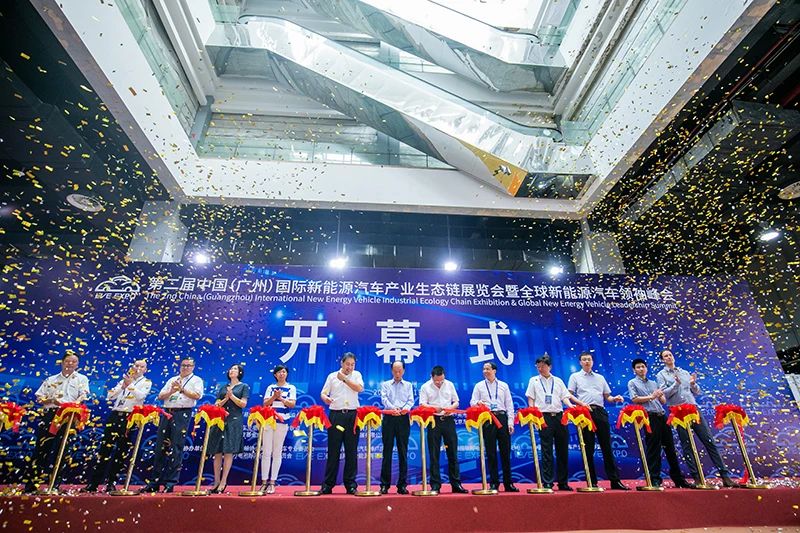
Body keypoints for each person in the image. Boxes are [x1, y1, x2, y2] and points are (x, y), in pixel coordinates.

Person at [656, 349, 737, 487]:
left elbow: (697, 391)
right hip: (678, 412)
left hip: (693, 408)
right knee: (687, 444)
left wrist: (693, 384)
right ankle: (697, 477)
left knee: (709, 440)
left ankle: (725, 475)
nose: (669, 357)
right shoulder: (661, 375)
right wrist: (676, 384)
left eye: (670, 355)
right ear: (662, 360)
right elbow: (664, 394)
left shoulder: (684, 372)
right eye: (665, 356)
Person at [23, 352, 90, 493]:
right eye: (68, 361)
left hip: (69, 415)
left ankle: (55, 484)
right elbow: (39, 398)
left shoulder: (82, 379)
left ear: (77, 364)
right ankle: (31, 484)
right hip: (50, 414)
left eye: (74, 361)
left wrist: (74, 405)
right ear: (62, 362)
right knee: (42, 448)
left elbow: (83, 395)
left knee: (63, 449)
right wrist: (52, 400)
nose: (70, 364)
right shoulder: (51, 379)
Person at [83, 359, 151, 493]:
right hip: (115, 414)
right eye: (136, 365)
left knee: (121, 450)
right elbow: (110, 396)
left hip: (130, 417)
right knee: (105, 449)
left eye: (141, 366)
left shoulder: (146, 382)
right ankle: (93, 483)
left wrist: (130, 385)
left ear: (145, 370)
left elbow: (140, 396)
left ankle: (111, 482)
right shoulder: (124, 380)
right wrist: (122, 386)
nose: (138, 368)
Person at [627, 358, 694, 489]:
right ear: (634, 370)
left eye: (643, 366)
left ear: (646, 368)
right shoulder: (632, 382)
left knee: (670, 448)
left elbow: (663, 401)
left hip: (662, 416)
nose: (641, 369)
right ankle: (655, 479)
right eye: (638, 367)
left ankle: (678, 479)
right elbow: (634, 399)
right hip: (649, 417)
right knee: (654, 448)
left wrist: (660, 394)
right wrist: (651, 396)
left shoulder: (653, 383)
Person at [567, 351, 629, 490]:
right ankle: (592, 481)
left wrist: (615, 398)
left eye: (589, 359)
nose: (587, 362)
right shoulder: (575, 377)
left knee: (607, 446)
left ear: (592, 361)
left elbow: (608, 397)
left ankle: (615, 480)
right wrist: (581, 404)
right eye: (584, 359)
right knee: (587, 448)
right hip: (584, 413)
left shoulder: (600, 378)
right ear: (580, 362)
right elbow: (569, 394)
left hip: (600, 411)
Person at [141, 357, 204, 493]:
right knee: (160, 446)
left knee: (176, 446)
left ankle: (170, 482)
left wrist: (182, 389)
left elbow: (197, 395)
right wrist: (172, 391)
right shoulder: (172, 379)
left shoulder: (196, 380)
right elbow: (160, 396)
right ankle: (155, 481)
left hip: (182, 413)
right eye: (183, 365)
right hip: (167, 412)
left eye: (188, 365)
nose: (185, 368)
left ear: (193, 367)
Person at [525, 354, 585, 491]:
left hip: (559, 417)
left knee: (562, 449)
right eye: (538, 367)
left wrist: (570, 406)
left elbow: (565, 397)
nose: (540, 369)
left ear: (550, 367)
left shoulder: (558, 381)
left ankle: (563, 482)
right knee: (546, 450)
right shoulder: (533, 380)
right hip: (543, 417)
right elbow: (531, 398)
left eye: (542, 366)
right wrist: (532, 413)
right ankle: (548, 482)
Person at [469, 362, 518, 492]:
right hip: (488, 419)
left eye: (488, 369)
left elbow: (509, 405)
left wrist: (510, 423)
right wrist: (478, 402)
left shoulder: (503, 385)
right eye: (484, 369)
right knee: (490, 452)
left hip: (502, 418)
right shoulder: (479, 386)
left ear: (494, 370)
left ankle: (508, 483)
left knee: (505, 452)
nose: (485, 371)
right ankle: (494, 483)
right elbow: (472, 402)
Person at [418, 365, 468, 494]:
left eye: (441, 380)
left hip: (448, 420)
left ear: (444, 376)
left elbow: (456, 401)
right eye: (437, 381)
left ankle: (456, 484)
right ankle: (435, 485)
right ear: (432, 376)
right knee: (434, 454)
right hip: (433, 420)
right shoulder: (425, 387)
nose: (439, 383)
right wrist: (434, 408)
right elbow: (422, 404)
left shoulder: (449, 384)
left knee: (453, 453)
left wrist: (451, 408)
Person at [320, 353, 364, 494]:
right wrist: (326, 399)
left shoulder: (356, 375)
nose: (350, 367)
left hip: (352, 415)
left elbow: (359, 388)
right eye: (347, 364)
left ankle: (350, 485)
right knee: (333, 450)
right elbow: (323, 393)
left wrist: (344, 379)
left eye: (352, 364)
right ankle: (328, 485)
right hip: (336, 415)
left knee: (351, 451)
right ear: (342, 363)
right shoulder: (332, 376)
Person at [207, 364, 249, 493]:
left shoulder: (243, 386)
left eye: (235, 369)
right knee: (217, 451)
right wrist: (226, 398)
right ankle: (216, 481)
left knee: (228, 450)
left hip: (234, 420)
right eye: (231, 369)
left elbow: (243, 404)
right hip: (220, 420)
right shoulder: (223, 387)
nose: (232, 371)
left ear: (240, 372)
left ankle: (224, 481)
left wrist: (232, 397)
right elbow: (217, 404)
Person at [260, 364, 296, 494]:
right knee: (266, 452)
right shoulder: (270, 387)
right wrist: (274, 397)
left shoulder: (291, 388)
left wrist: (280, 398)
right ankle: (264, 482)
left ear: (287, 374)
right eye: (279, 372)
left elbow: (292, 404)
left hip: (282, 422)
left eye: (284, 372)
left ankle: (272, 482)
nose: (282, 374)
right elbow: (265, 403)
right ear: (275, 375)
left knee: (277, 452)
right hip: (269, 421)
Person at [379, 361, 414, 495]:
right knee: (387, 451)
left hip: (403, 419)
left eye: (399, 371)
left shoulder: (408, 385)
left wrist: (404, 409)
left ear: (403, 371)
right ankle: (384, 485)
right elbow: (384, 399)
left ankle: (402, 485)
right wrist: (393, 409)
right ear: (391, 371)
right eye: (395, 371)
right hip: (389, 418)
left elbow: (410, 400)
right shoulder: (385, 384)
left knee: (403, 452)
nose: (397, 373)